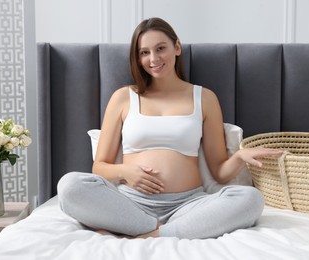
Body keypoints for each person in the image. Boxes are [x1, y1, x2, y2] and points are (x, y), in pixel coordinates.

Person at [57, 17, 283, 239]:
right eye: (144, 52)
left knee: (251, 199)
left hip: (188, 205)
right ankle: (153, 228)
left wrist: (240, 156)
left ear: (176, 47)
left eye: (160, 48)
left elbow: (219, 173)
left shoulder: (204, 98)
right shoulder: (123, 98)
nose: (153, 59)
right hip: (129, 203)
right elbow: (99, 166)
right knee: (69, 186)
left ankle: (149, 233)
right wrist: (124, 171)